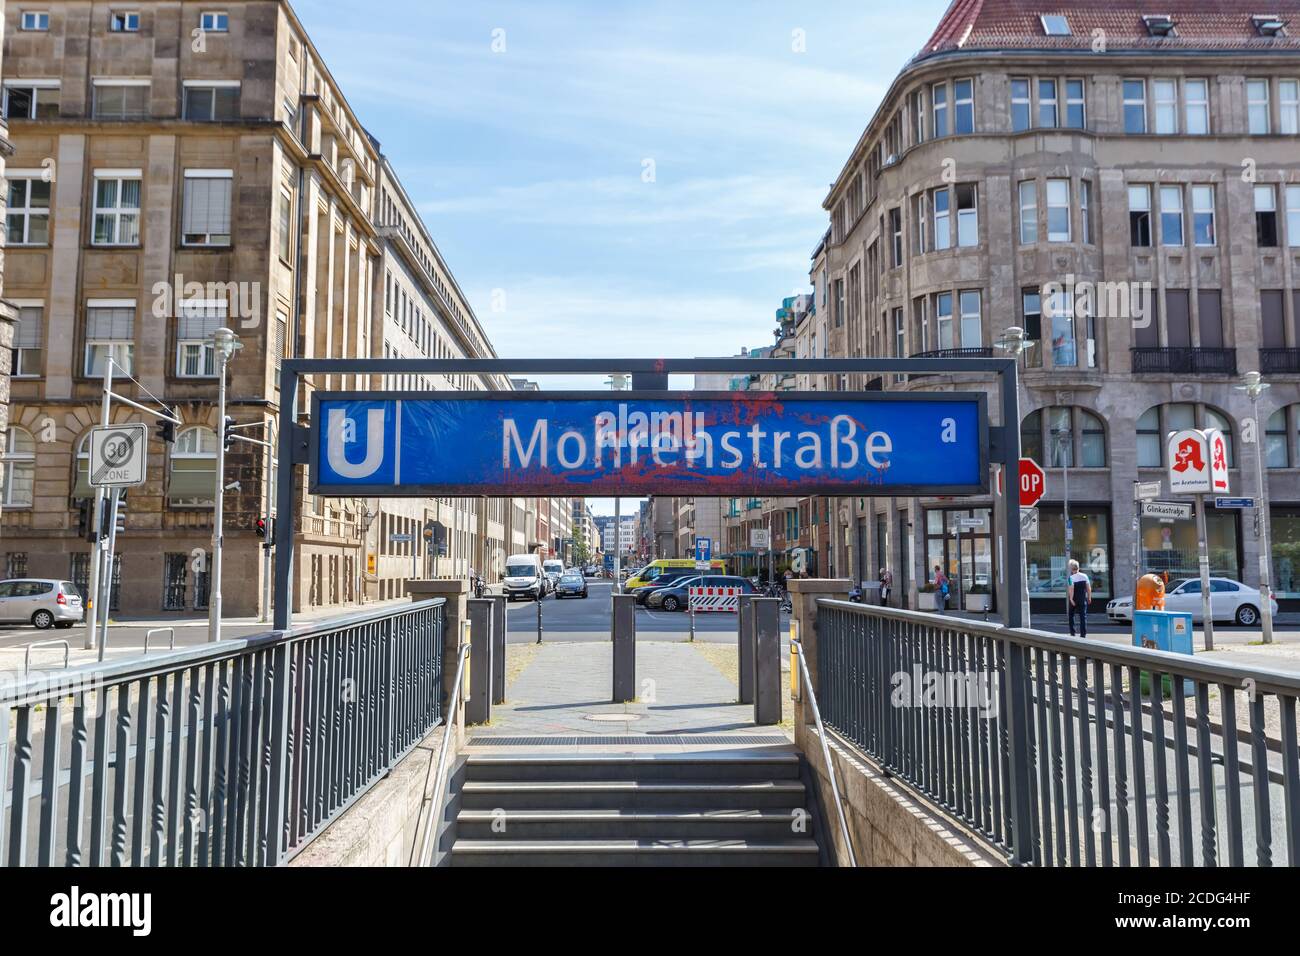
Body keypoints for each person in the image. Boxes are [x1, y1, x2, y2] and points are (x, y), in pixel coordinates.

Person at [1067, 559, 1092, 637]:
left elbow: (1071, 589)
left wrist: (1071, 599)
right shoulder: (1084, 576)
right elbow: (1088, 588)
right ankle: (1083, 634)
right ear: (1078, 568)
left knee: (1071, 615)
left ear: (1071, 569)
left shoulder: (1070, 578)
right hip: (1082, 599)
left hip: (1074, 599)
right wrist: (1089, 597)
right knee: (1083, 616)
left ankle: (1073, 632)